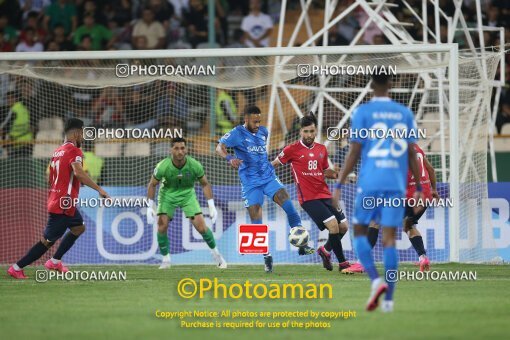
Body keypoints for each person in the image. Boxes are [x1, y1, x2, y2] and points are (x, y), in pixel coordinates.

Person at [333, 74, 423, 312]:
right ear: (391, 85)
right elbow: (412, 154)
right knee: (390, 239)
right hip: (395, 183)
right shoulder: (404, 113)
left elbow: (353, 153)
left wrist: (339, 185)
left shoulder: (363, 112)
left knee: (360, 231)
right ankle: (390, 302)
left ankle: (375, 281)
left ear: (371, 86)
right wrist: (422, 188)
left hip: (370, 181)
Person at [216, 105, 314, 273]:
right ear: (246, 119)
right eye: (254, 121)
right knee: (256, 219)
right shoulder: (237, 133)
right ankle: (266, 256)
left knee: (289, 205)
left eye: (259, 121)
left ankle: (302, 244)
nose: (257, 124)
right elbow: (219, 147)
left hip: (268, 177)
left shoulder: (263, 132)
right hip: (250, 182)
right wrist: (230, 158)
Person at [7, 119, 110, 279]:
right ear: (76, 133)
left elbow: (51, 177)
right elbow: (79, 173)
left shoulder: (58, 151)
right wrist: (100, 189)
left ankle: (55, 262)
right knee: (47, 241)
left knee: (79, 227)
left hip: (59, 199)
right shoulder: (74, 151)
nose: (83, 136)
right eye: (82, 133)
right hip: (64, 203)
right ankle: (17, 267)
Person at [272, 113, 353, 272]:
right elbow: (274, 163)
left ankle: (325, 250)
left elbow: (323, 171)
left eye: (312, 131)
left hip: (325, 194)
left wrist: (336, 174)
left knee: (343, 226)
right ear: (301, 131)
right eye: (306, 131)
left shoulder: (322, 149)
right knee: (333, 226)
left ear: (316, 131)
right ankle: (343, 264)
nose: (309, 135)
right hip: (308, 198)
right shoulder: (291, 149)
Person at [344, 143, 437, 274]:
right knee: (408, 225)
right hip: (425, 197)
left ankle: (361, 263)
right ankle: (423, 258)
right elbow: (431, 169)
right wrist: (434, 190)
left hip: (409, 197)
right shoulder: (416, 147)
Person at [147, 137, 227, 269]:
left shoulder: (194, 165)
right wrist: (150, 206)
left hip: (187, 195)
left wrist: (211, 205)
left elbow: (205, 184)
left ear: (187, 149)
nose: (180, 151)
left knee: (201, 227)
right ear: (171, 150)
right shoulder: (162, 166)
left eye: (182, 148)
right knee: (162, 225)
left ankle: (216, 255)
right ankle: (166, 259)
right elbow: (152, 184)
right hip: (167, 195)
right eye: (176, 148)